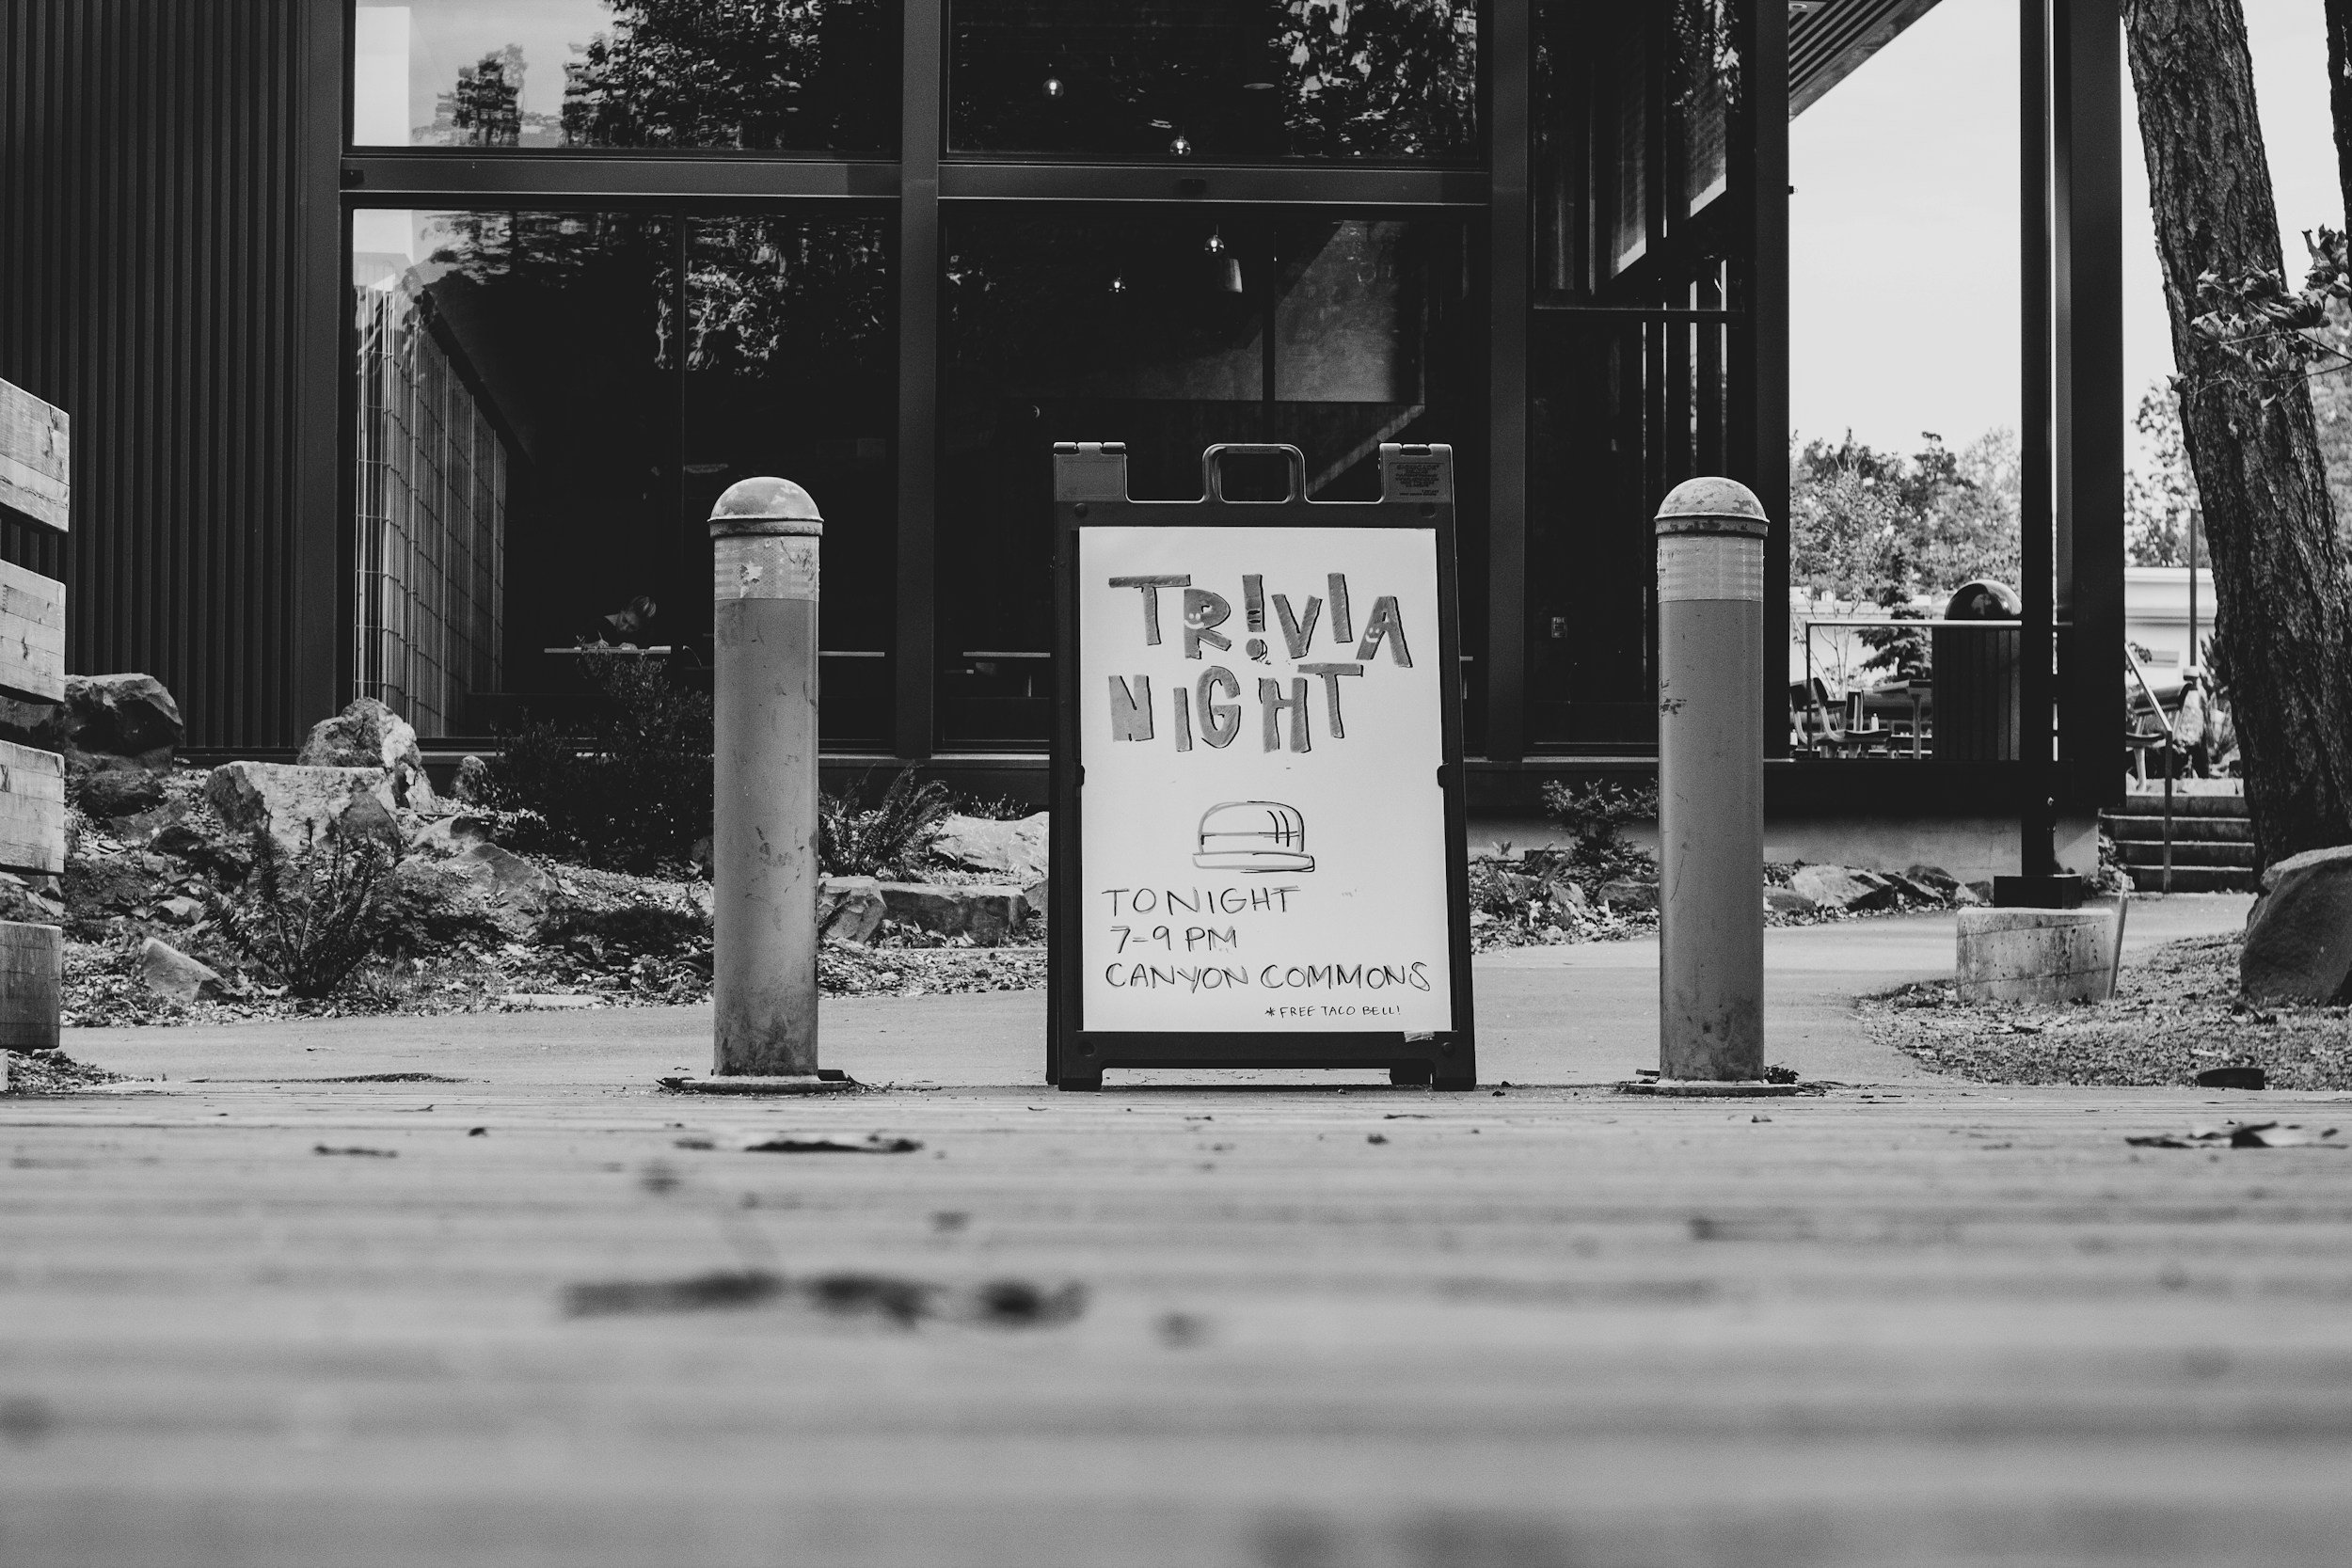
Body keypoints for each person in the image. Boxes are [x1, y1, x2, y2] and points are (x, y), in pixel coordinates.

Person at [2175, 664, 2212, 779]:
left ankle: (2200, 774)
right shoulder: (2198, 693)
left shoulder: (2182, 692)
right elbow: (2205, 714)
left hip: (2184, 733)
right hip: (2193, 734)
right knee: (2200, 755)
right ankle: (2203, 775)